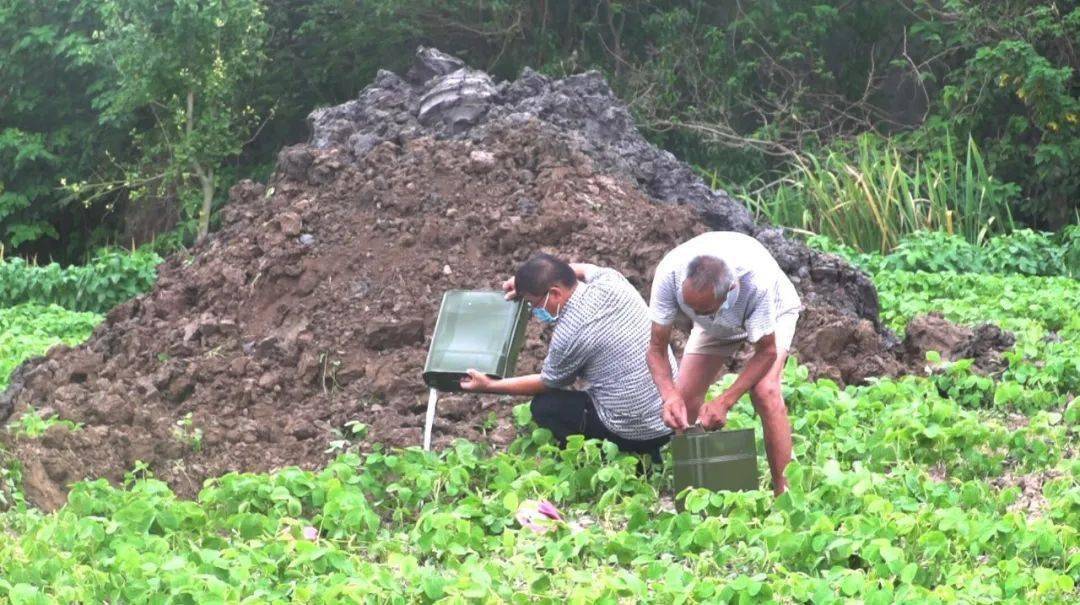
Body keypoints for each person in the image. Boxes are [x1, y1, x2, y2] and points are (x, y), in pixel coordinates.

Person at [460, 253, 675, 461]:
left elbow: (547, 383)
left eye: (534, 304)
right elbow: (580, 269)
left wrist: (489, 385)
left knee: (545, 407)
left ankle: (616, 457)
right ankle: (650, 454)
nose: (536, 312)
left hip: (633, 431)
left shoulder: (571, 333)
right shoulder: (611, 280)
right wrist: (529, 282)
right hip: (670, 414)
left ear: (554, 294)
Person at [646, 232, 801, 494]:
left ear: (730, 291)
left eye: (702, 310)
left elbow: (766, 352)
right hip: (715, 325)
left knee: (765, 392)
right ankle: (694, 492)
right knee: (683, 402)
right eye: (690, 309)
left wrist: (725, 401)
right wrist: (668, 395)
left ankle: (784, 494)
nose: (693, 314)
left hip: (774, 312)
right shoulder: (669, 273)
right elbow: (655, 349)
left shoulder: (757, 283)